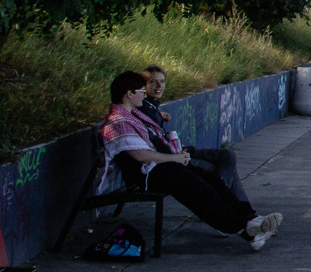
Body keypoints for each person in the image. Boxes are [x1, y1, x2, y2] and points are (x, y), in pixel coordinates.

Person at [98, 72, 280, 250]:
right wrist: (174, 158)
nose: (145, 95)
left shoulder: (131, 115)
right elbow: (140, 156)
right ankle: (245, 230)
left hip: (157, 168)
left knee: (210, 179)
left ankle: (249, 219)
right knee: (198, 189)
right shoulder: (119, 122)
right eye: (141, 92)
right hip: (147, 175)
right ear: (129, 94)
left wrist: (175, 156)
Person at [142, 65, 250, 203]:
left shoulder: (151, 107)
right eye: (152, 82)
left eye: (162, 82)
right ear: (142, 86)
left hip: (177, 151)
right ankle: (226, 203)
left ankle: (233, 206)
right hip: (170, 159)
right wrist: (176, 155)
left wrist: (160, 115)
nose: (158, 86)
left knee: (227, 156)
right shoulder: (142, 109)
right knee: (222, 167)